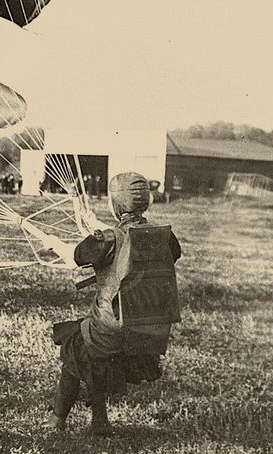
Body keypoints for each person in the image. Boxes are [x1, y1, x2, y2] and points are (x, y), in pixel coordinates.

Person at [46, 172, 182, 436]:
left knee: (76, 352)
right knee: (95, 356)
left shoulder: (106, 239)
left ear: (115, 205)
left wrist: (52, 244)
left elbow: (76, 255)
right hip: (142, 332)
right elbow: (141, 244)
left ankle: (57, 420)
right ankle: (99, 421)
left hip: (109, 328)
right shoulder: (164, 236)